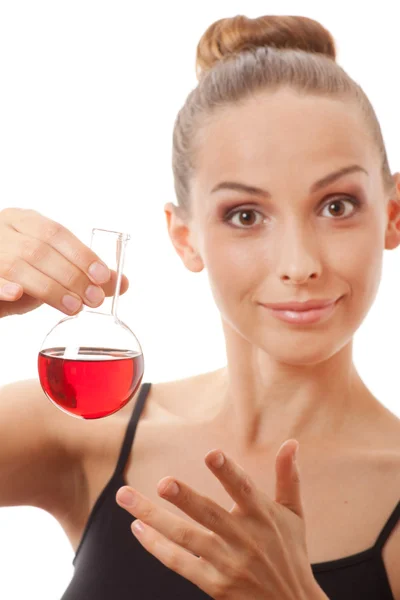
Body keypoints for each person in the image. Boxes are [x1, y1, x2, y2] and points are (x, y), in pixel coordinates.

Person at [0, 13, 399, 600]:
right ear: (184, 237)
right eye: (245, 215)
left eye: (336, 205)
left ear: (392, 215)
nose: (299, 262)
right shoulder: (82, 432)